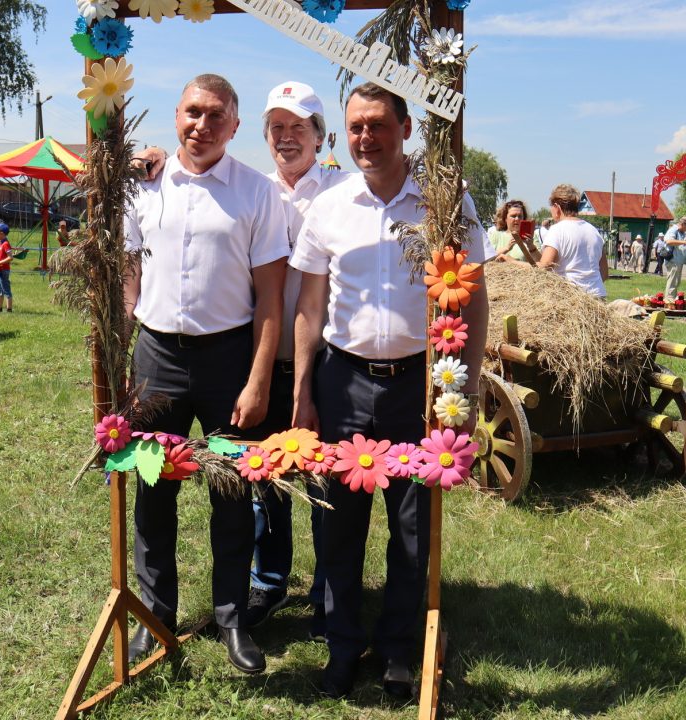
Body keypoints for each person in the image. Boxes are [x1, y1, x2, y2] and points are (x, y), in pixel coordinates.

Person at [291, 82, 489, 700]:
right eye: (354, 128)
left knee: (412, 524)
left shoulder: (445, 205)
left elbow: (474, 296)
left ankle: (401, 650)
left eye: (377, 125)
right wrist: (302, 389)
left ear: (406, 128)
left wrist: (472, 382)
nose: (365, 139)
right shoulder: (328, 204)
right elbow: (309, 305)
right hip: (343, 381)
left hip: (420, 386)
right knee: (338, 527)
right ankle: (343, 647)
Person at [123, 74, 289, 676]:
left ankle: (231, 617)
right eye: (193, 112)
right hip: (157, 357)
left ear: (235, 126)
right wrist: (122, 350)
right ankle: (155, 615)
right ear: (175, 116)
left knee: (233, 494)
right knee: (153, 488)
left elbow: (271, 297)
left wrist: (258, 379)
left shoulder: (255, 193)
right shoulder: (143, 185)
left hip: (228, 360)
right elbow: (126, 273)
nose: (202, 125)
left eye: (216, 116)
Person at [245, 80, 347, 637]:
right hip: (263, 360)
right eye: (277, 128)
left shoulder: (341, 192)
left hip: (327, 362)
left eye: (298, 128)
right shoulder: (252, 190)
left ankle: (329, 589)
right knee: (268, 478)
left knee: (324, 480)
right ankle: (270, 580)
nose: (287, 138)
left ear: (320, 135)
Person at [537, 184, 608, 298]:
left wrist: (514, 263)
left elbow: (544, 267)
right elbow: (604, 273)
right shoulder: (593, 231)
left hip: (571, 300)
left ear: (557, 207)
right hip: (597, 298)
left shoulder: (557, 230)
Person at [489, 200, 540, 265]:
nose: (517, 219)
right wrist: (507, 248)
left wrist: (531, 246)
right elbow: (486, 259)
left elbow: (541, 263)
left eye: (520, 216)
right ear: (505, 218)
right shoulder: (496, 235)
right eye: (513, 216)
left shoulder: (530, 236)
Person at [663, 217, 686, 297]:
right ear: (682, 224)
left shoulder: (682, 232)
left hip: (678, 261)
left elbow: (682, 245)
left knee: (676, 282)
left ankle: (672, 300)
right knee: (672, 282)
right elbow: (669, 241)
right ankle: (669, 301)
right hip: (673, 261)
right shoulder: (674, 230)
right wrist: (684, 242)